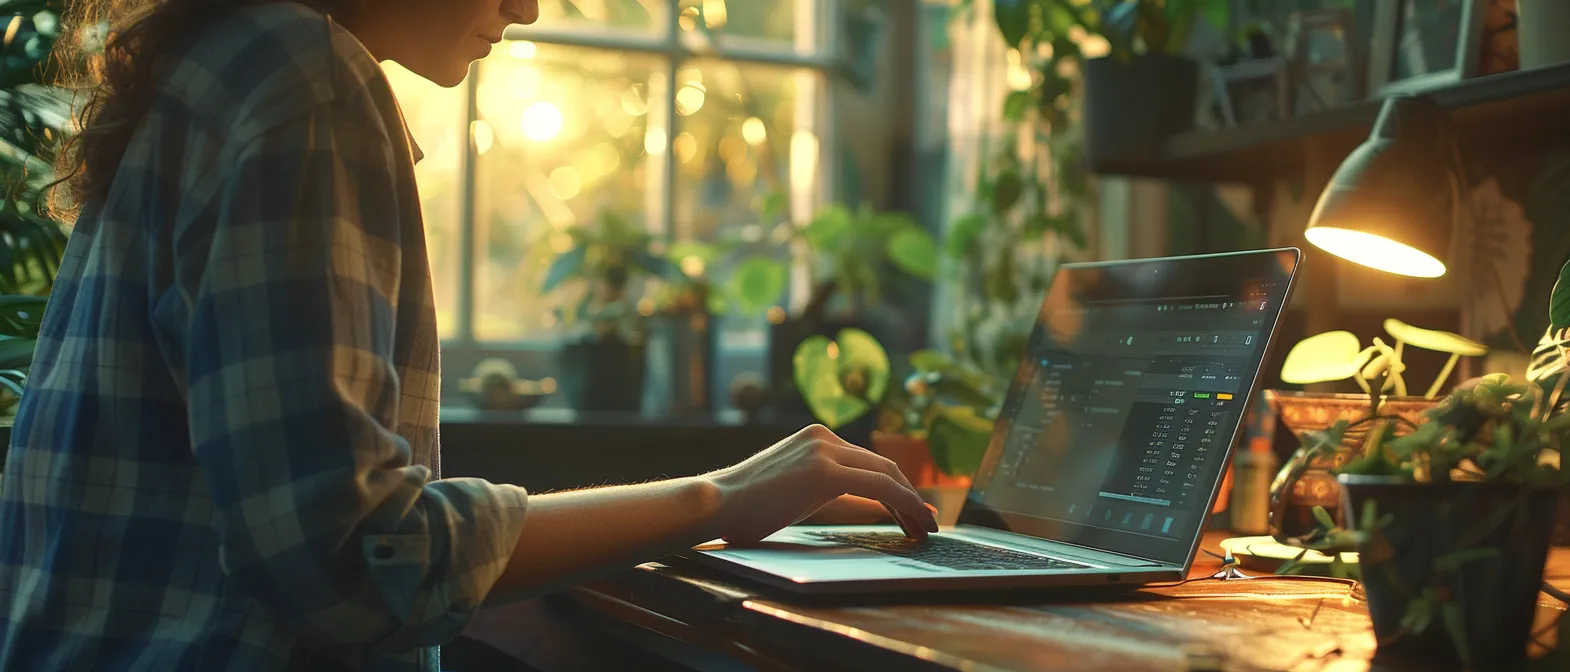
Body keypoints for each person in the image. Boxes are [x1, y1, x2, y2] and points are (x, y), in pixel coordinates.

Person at [0, 1, 935, 670]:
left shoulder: (221, 58)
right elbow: (353, 562)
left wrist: (484, 614)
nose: (526, 9)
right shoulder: (301, 80)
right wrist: (723, 495)